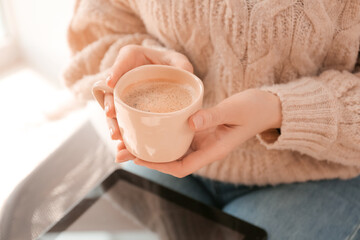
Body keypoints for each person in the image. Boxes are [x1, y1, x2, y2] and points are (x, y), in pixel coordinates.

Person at [63, 0, 360, 239]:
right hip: (167, 154)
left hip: (318, 170)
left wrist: (279, 110)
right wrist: (135, 67)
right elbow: (98, 28)